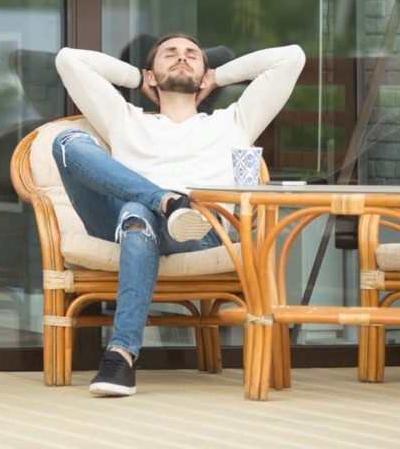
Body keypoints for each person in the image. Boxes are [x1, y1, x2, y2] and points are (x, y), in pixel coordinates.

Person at [53, 33, 305, 396]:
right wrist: (139, 80)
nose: (181, 58)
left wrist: (218, 77)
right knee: (66, 142)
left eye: (192, 55)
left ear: (204, 74)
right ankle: (164, 199)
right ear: (151, 75)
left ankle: (121, 356)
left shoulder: (234, 122)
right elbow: (69, 59)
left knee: (138, 212)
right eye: (169, 54)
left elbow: (291, 57)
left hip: (196, 229)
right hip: (118, 223)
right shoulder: (124, 118)